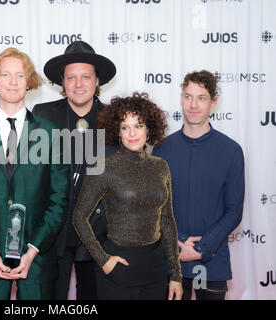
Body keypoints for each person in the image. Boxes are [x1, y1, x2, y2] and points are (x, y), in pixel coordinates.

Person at [0, 47, 69, 300]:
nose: (13, 82)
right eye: (6, 74)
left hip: (37, 261)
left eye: (20, 75)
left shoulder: (52, 134)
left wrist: (32, 250)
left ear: (29, 81)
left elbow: (59, 198)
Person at [72, 93, 183, 300]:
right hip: (118, 269)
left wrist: (176, 274)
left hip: (155, 269)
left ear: (149, 128)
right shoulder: (104, 167)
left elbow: (167, 220)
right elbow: (79, 217)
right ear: (118, 131)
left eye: (138, 125)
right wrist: (103, 260)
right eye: (125, 127)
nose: (132, 133)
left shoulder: (161, 167)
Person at [33, 40, 117, 300]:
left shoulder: (114, 118)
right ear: (62, 82)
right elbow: (34, 176)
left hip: (99, 233)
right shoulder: (42, 115)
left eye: (85, 77)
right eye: (71, 77)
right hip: (55, 232)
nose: (78, 84)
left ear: (97, 81)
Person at [152, 70, 244, 300]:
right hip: (172, 259)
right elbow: (156, 205)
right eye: (188, 96)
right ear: (181, 98)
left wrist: (201, 248)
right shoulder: (162, 149)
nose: (193, 104)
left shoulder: (231, 151)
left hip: (212, 260)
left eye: (201, 97)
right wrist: (179, 241)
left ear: (213, 101)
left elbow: (234, 210)